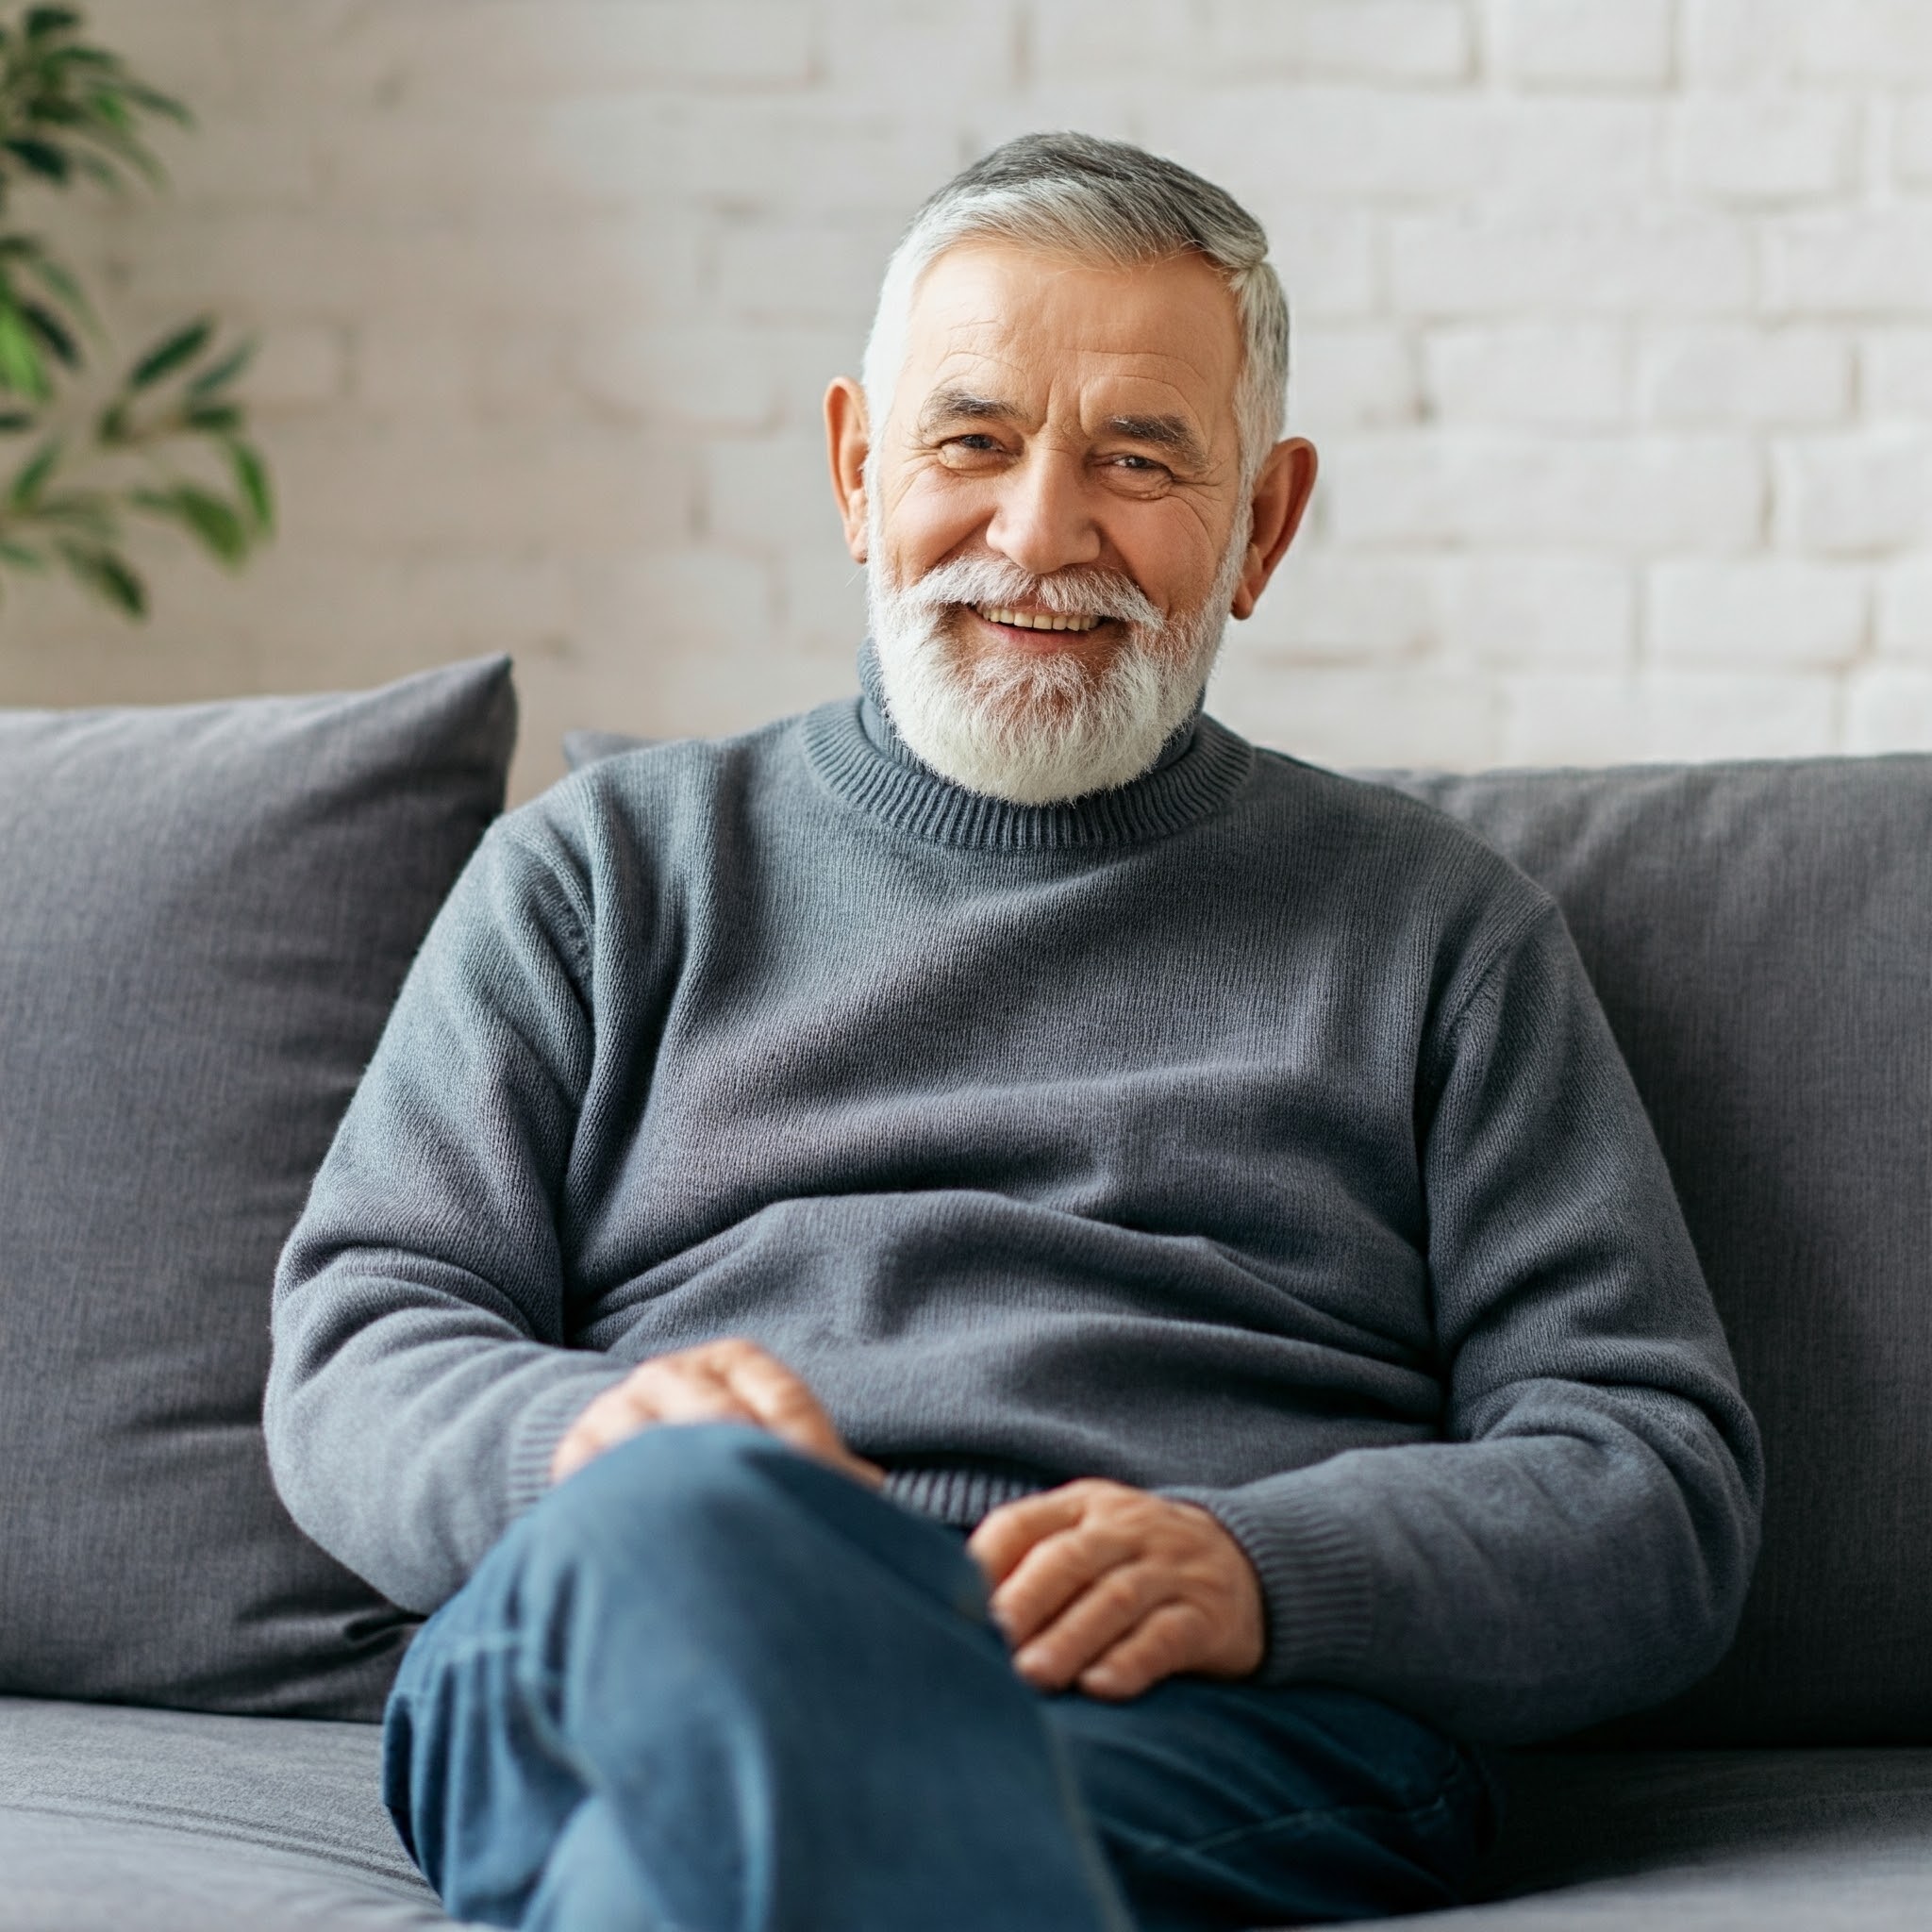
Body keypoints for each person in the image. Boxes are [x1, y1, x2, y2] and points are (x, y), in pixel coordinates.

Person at [265, 132, 1763, 1932]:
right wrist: (592, 1450)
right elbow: (361, 1344)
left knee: (703, 1842)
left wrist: (1263, 1571)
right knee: (694, 1559)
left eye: (1138, 460)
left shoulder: (1437, 930)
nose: (1042, 535)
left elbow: (1650, 1482)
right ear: (854, 467)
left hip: (1184, 1713)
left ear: (1265, 524)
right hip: (626, 1616)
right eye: (972, 442)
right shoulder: (603, 877)